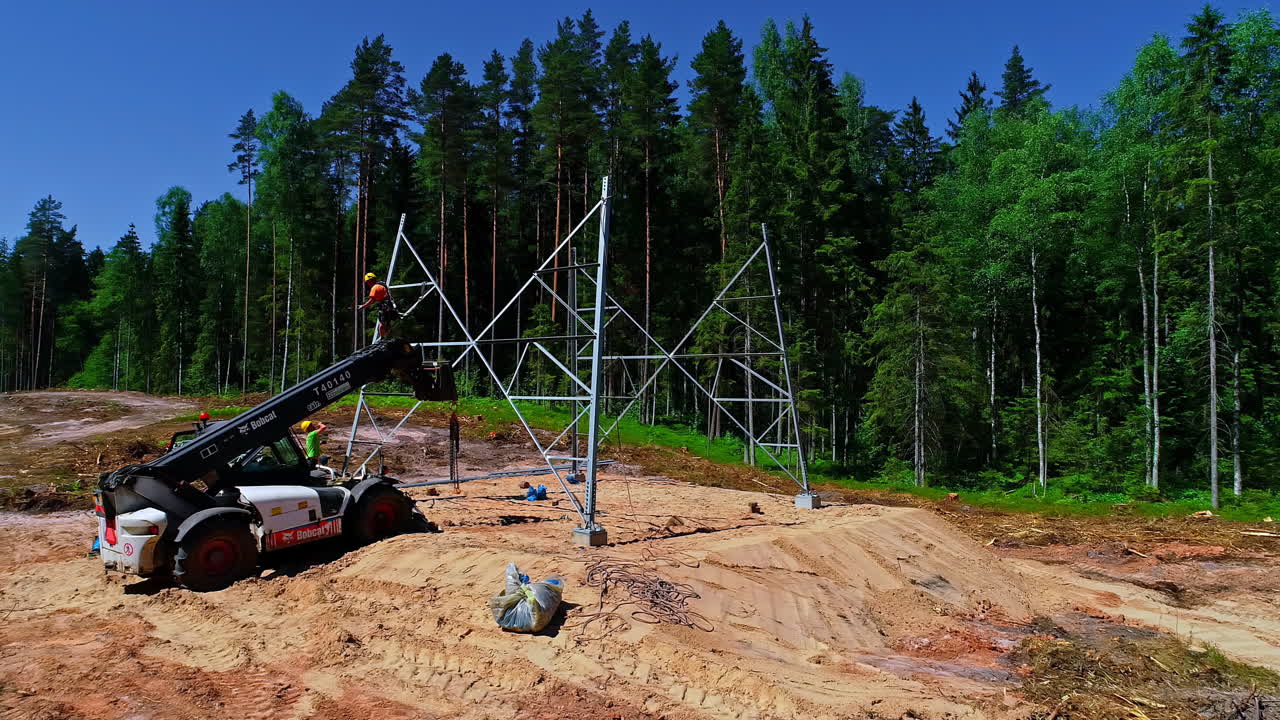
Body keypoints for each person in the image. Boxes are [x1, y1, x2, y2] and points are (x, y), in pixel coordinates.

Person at [357, 272, 397, 341]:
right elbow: (376, 299)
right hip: (389, 306)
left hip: (385, 307)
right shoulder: (381, 285)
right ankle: (386, 337)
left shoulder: (374, 288)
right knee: (387, 324)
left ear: (369, 281)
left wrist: (362, 306)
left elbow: (371, 301)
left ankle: (382, 339)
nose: (368, 284)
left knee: (381, 324)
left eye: (367, 282)